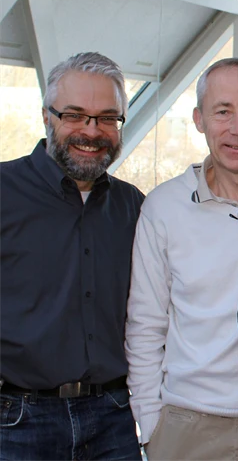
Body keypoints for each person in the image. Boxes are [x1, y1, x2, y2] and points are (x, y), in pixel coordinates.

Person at [124, 58, 238, 460]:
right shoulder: (164, 206)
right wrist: (153, 426)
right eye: (223, 112)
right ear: (200, 119)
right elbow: (146, 325)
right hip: (188, 426)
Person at [0, 52, 144, 459]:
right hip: (17, 423)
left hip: (114, 419)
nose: (91, 131)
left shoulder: (134, 207)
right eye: (75, 115)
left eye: (106, 118)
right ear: (47, 116)